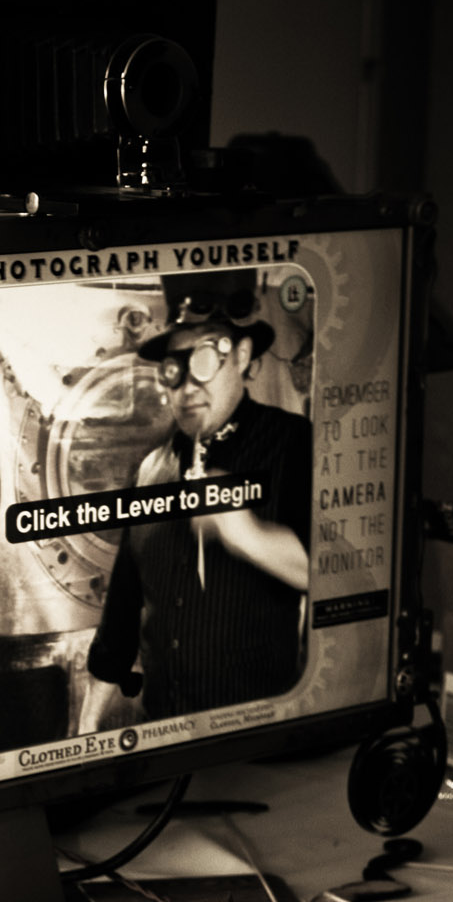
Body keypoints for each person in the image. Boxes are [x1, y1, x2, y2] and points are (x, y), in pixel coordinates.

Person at [87, 278, 312, 718]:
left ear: (242, 355)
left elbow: (336, 576)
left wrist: (245, 531)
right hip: (164, 730)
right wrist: (87, 722)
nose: (188, 387)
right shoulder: (151, 469)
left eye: (205, 358)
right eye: (174, 369)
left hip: (257, 735)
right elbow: (123, 607)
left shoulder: (292, 443)